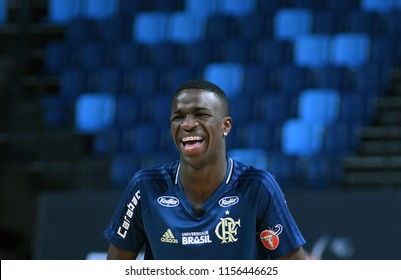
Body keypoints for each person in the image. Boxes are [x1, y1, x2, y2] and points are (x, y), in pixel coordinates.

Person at [103, 79, 307, 260]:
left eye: (201, 114)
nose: (188, 124)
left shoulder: (257, 187)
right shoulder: (145, 187)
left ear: (225, 126)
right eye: (178, 117)